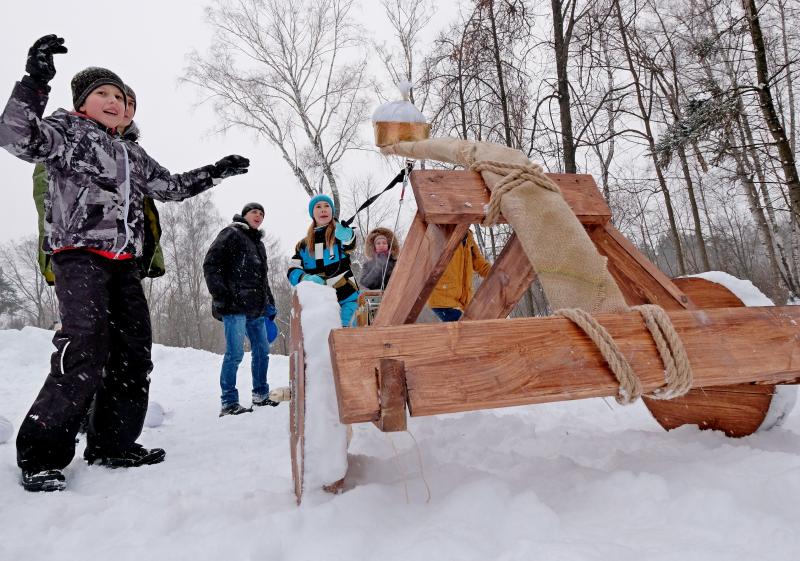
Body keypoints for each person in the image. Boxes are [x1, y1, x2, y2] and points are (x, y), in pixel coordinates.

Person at [0, 35, 250, 492]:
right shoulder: (65, 133)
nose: (114, 102)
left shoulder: (132, 153)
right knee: (84, 349)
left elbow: (171, 187)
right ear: (82, 102)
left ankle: (113, 442)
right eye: (104, 94)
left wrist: (215, 170)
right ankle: (41, 454)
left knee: (134, 353)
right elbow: (15, 135)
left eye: (121, 96)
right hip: (78, 257)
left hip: (124, 265)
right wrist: (36, 80)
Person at [32, 83, 165, 285]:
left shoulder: (133, 150)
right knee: (88, 311)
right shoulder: (72, 137)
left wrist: (149, 252)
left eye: (130, 103)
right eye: (122, 101)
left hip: (127, 255)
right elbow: (47, 198)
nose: (126, 108)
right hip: (81, 253)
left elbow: (147, 205)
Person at [203, 202, 279, 417]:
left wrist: (269, 303)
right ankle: (228, 402)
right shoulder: (231, 233)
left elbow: (262, 278)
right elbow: (211, 264)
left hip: (257, 307)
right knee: (235, 353)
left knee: (262, 351)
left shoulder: (258, 244)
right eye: (254, 212)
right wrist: (221, 296)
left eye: (262, 213)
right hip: (234, 306)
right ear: (244, 215)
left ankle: (260, 395)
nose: (258, 215)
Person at [287, 194, 360, 327]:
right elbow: (292, 270)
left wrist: (348, 235)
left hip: (348, 298)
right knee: (324, 340)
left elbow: (351, 244)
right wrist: (304, 278)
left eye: (327, 206)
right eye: (318, 207)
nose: (323, 209)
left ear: (332, 211)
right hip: (319, 303)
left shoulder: (339, 235)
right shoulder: (302, 245)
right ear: (312, 214)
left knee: (346, 335)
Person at [428, 229, 491, 322]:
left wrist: (499, 274)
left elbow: (480, 264)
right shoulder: (441, 232)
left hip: (461, 302)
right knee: (467, 331)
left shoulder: (468, 237)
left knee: (473, 327)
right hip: (443, 299)